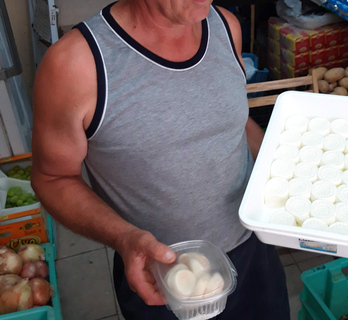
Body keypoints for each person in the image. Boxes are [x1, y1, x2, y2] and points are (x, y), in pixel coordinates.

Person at [31, 0, 290, 319]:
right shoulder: (75, 64)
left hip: (254, 256)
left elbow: (235, 124)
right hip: (159, 277)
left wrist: (285, 172)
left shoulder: (225, 26)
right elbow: (53, 178)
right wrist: (123, 238)